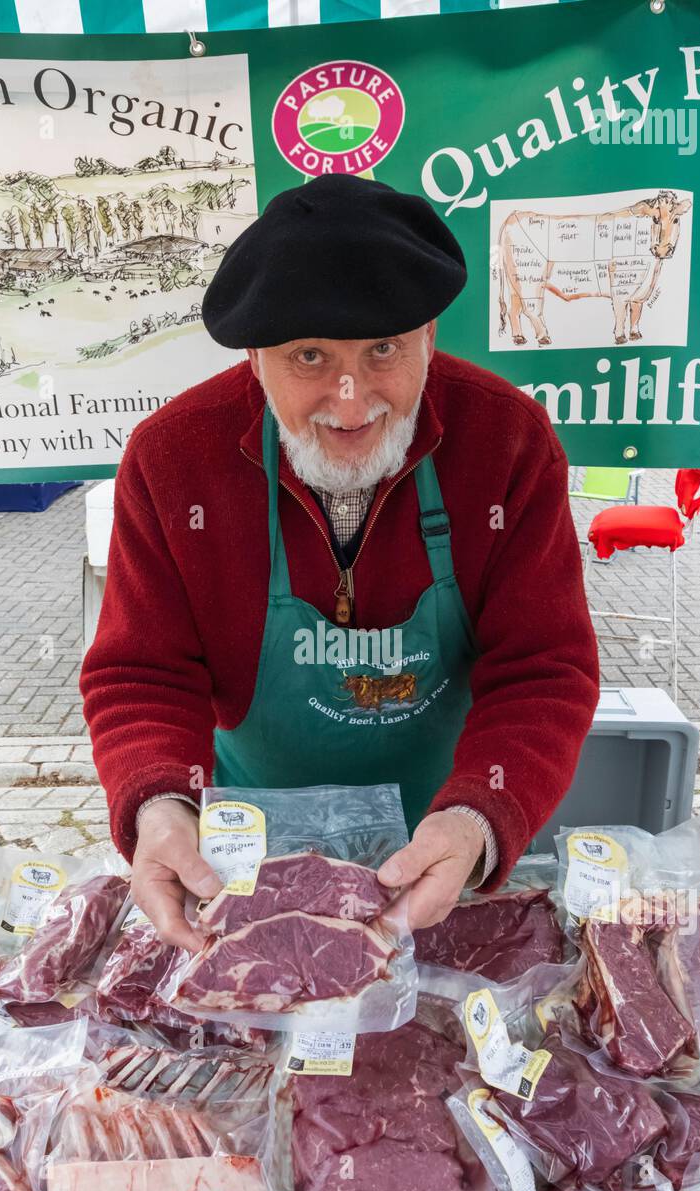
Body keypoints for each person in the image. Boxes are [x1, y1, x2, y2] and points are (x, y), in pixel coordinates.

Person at [81, 174, 599, 950]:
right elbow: (142, 673)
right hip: (238, 851)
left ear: (429, 335)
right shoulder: (173, 460)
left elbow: (545, 666)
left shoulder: (508, 442)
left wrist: (479, 820)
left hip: (442, 840)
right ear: (255, 357)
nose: (352, 403)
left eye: (383, 349)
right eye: (311, 356)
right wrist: (160, 806)